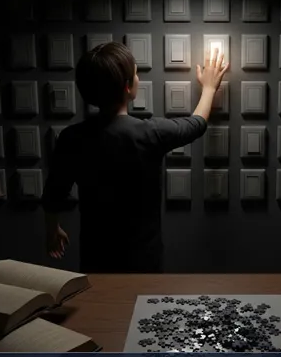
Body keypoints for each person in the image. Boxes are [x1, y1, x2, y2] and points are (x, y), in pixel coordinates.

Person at [41, 42, 229, 273]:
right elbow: (196, 124)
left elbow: (53, 194)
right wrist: (209, 88)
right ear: (128, 87)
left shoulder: (72, 138)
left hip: (96, 259)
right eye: (136, 73)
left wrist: (53, 229)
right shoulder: (150, 133)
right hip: (144, 261)